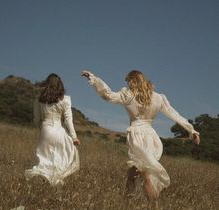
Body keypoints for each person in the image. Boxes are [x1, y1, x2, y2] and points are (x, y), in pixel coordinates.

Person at [81, 70, 200, 200]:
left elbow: (108, 95)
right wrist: (191, 130)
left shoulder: (128, 94)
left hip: (137, 135)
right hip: (152, 136)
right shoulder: (158, 97)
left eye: (128, 82)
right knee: (132, 173)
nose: (127, 85)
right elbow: (173, 114)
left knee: (146, 177)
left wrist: (93, 79)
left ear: (132, 81)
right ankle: (126, 205)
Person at [25, 73, 80, 186]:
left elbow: (36, 120)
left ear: (47, 84)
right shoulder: (65, 99)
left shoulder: (39, 99)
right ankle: (55, 183)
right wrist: (74, 137)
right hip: (58, 131)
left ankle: (44, 182)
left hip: (45, 131)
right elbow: (68, 120)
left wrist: (42, 128)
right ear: (60, 85)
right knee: (64, 156)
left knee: (44, 160)